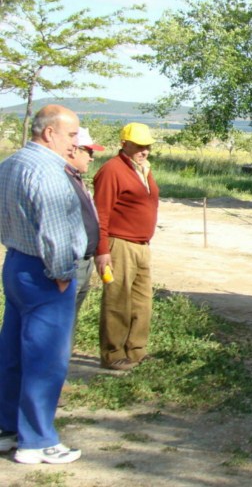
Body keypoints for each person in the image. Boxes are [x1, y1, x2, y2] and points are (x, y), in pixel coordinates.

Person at [0, 105, 86, 464]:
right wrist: (63, 273)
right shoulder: (49, 172)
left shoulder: (11, 164)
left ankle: (7, 428)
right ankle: (37, 440)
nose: (75, 143)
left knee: (14, 352)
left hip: (17, 263)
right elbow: (54, 233)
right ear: (49, 133)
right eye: (71, 135)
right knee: (46, 358)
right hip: (46, 274)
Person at [93, 122, 159, 371]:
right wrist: (102, 251)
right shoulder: (112, 170)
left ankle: (136, 349)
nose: (144, 150)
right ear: (124, 144)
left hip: (141, 245)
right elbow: (101, 213)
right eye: (139, 146)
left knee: (142, 301)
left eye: (147, 146)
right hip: (119, 243)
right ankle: (113, 353)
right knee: (117, 300)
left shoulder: (144, 168)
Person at [65, 127, 105, 347]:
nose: (92, 157)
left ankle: (60, 373)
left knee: (69, 320)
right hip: (69, 264)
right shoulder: (61, 178)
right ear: (73, 150)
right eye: (88, 151)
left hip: (84, 260)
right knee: (60, 322)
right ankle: (53, 378)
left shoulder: (76, 177)